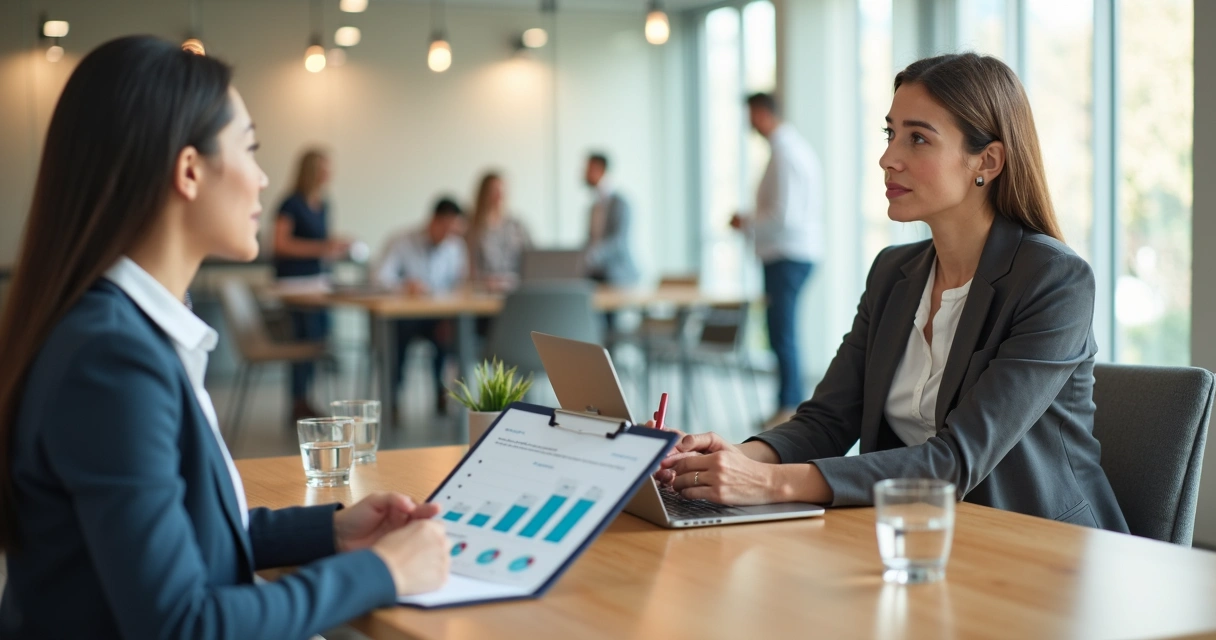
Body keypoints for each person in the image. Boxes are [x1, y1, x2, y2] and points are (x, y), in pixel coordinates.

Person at [0, 37, 449, 639]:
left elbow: (184, 535)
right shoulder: (112, 357)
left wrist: (332, 531)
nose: (263, 178)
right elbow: (182, 625)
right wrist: (382, 572)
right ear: (189, 170)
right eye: (251, 148)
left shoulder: (117, 331)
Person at [656, 53, 1128, 533]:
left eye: (918, 138)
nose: (888, 158)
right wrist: (729, 458)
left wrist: (769, 483)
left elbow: (955, 460)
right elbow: (827, 420)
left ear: (986, 161)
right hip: (920, 536)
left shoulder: (1054, 281)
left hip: (1038, 547)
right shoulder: (892, 272)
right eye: (891, 134)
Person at [730, 93, 824, 429]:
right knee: (781, 331)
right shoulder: (787, 150)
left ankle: (789, 407)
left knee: (782, 333)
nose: (749, 124)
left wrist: (747, 222)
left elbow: (785, 216)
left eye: (750, 115)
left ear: (762, 113)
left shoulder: (786, 153)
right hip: (788, 254)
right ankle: (787, 403)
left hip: (788, 254)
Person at [273, 148, 351, 420]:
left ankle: (309, 398)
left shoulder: (324, 203)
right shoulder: (290, 204)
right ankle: (298, 400)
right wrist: (320, 248)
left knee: (320, 339)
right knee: (303, 341)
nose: (329, 174)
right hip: (295, 285)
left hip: (319, 283)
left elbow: (323, 243)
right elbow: (280, 244)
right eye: (324, 168)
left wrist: (334, 246)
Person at [373, 197, 468, 414]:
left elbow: (459, 285)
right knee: (397, 337)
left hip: (439, 316)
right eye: (446, 228)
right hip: (405, 318)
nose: (449, 236)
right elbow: (379, 278)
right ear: (433, 221)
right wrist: (403, 286)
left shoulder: (455, 246)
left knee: (450, 332)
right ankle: (392, 400)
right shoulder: (401, 241)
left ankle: (442, 393)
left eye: (454, 231)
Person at [467, 171, 532, 292]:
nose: (499, 195)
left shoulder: (517, 226)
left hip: (516, 290)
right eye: (494, 191)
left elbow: (532, 259)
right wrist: (484, 282)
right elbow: (467, 268)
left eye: (501, 191)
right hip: (483, 292)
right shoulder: (472, 228)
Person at [583, 152, 639, 287]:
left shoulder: (620, 204)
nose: (584, 173)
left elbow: (618, 242)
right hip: (595, 274)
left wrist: (593, 254)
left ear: (600, 170)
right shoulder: (593, 207)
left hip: (617, 274)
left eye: (588, 169)